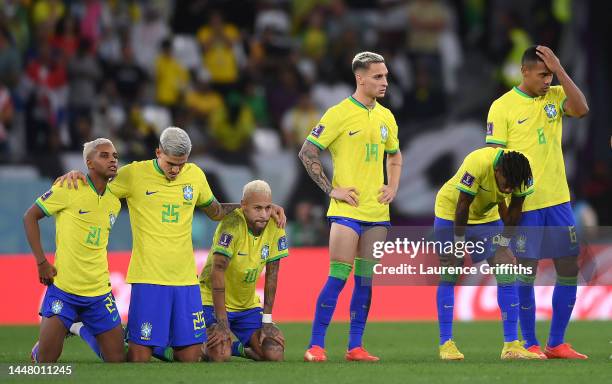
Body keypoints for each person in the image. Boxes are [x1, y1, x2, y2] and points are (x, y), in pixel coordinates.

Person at [55, 127, 286, 362]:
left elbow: (216, 212)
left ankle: (158, 346)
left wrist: (255, 206)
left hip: (185, 280)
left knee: (191, 357)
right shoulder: (134, 174)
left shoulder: (195, 175)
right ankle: (81, 327)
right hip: (149, 278)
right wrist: (80, 175)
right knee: (136, 360)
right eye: (170, 164)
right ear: (158, 153)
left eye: (181, 164)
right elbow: (99, 188)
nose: (176, 170)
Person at [485, 45, 589, 359]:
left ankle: (556, 342)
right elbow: (495, 160)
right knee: (526, 270)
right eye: (542, 74)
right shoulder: (502, 107)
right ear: (524, 72)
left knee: (568, 267)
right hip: (524, 204)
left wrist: (560, 69)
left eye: (550, 75)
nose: (547, 80)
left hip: (559, 199)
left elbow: (582, 108)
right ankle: (530, 343)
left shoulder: (557, 96)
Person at [299, 51, 402, 362]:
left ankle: (355, 346)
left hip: (377, 214)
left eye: (385, 76)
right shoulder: (338, 114)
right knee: (338, 277)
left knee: (366, 281)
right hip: (347, 212)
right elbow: (307, 152)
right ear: (360, 78)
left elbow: (395, 155)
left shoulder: (386, 116)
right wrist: (333, 190)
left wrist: (392, 187)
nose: (385, 81)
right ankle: (316, 345)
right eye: (378, 76)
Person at [434, 147, 539, 360]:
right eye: (506, 184)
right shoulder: (477, 162)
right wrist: (459, 243)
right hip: (450, 212)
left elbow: (515, 210)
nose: (509, 190)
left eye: (513, 187)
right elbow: (463, 205)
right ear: (497, 170)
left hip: (487, 218)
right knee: (451, 271)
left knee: (506, 270)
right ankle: (446, 344)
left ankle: (511, 345)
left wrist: (503, 243)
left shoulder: (522, 172)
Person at [24, 138, 124, 363]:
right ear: (89, 163)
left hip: (99, 292)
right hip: (64, 289)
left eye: (115, 156)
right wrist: (41, 262)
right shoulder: (68, 187)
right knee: (45, 362)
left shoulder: (114, 202)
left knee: (117, 359)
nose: (112, 160)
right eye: (104, 155)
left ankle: (78, 327)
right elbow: (30, 216)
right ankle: (50, 340)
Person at [200, 180, 287, 362]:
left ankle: (236, 348)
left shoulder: (275, 225)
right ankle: (199, 344)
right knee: (220, 355)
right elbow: (218, 272)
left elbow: (272, 275)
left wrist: (267, 321)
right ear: (243, 206)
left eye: (267, 207)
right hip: (211, 301)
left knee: (274, 352)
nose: (264, 214)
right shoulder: (231, 225)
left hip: (246, 306)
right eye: (257, 208)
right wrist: (222, 323)